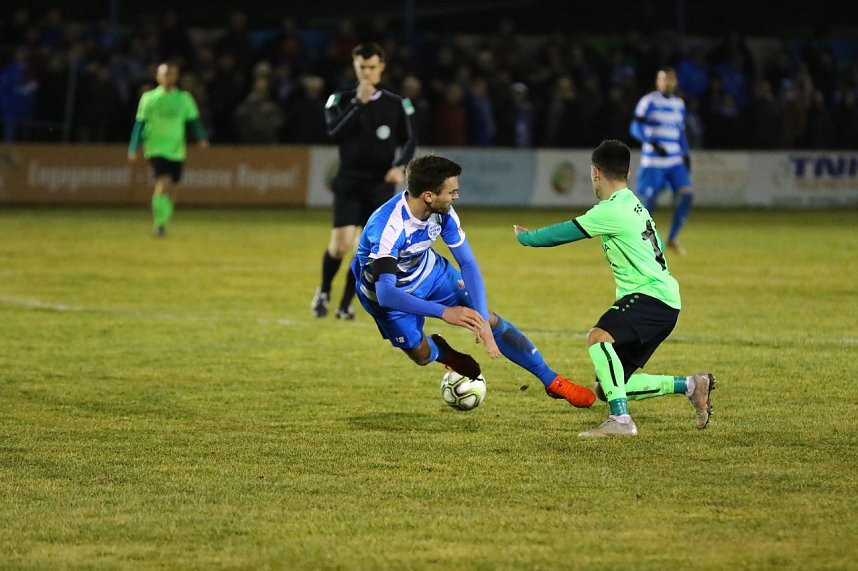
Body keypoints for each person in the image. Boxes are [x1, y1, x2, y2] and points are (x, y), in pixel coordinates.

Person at [351, 154, 596, 408]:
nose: (456, 197)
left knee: (487, 317)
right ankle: (447, 354)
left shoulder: (442, 213)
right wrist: (445, 312)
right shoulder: (387, 228)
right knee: (421, 355)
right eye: (451, 192)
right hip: (387, 296)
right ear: (428, 196)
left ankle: (552, 381)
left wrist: (482, 321)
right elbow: (386, 293)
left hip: (431, 275)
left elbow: (467, 263)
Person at [514, 140, 715, 437]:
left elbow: (562, 233)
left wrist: (525, 238)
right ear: (628, 172)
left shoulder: (611, 210)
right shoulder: (633, 203)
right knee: (609, 385)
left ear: (595, 172)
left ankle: (621, 421)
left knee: (597, 338)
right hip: (664, 300)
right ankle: (690, 385)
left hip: (651, 297)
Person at [311, 42, 417, 320]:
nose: (367, 72)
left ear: (382, 66)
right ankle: (323, 290)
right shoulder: (340, 99)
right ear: (354, 65)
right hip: (348, 181)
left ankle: (345, 305)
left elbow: (409, 139)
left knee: (366, 251)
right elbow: (333, 131)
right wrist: (358, 103)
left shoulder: (397, 103)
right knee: (340, 245)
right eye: (362, 67)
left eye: (372, 67)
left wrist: (399, 166)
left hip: (380, 185)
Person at [127, 62, 208, 237]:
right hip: (155, 147)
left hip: (177, 149)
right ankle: (159, 224)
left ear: (175, 76)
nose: (168, 77)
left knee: (174, 188)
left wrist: (201, 138)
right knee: (163, 182)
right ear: (158, 76)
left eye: (171, 74)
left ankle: (163, 221)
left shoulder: (184, 98)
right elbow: (139, 124)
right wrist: (133, 147)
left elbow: (193, 120)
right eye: (164, 74)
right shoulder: (149, 98)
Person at [629, 67, 694, 255]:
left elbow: (680, 133)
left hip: (674, 160)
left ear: (675, 82)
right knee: (649, 201)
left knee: (687, 195)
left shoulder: (679, 104)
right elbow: (635, 127)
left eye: (670, 79)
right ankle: (643, 241)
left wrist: (686, 155)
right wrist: (653, 143)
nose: (667, 83)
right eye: (663, 79)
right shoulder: (648, 101)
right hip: (654, 161)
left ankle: (673, 238)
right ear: (658, 82)